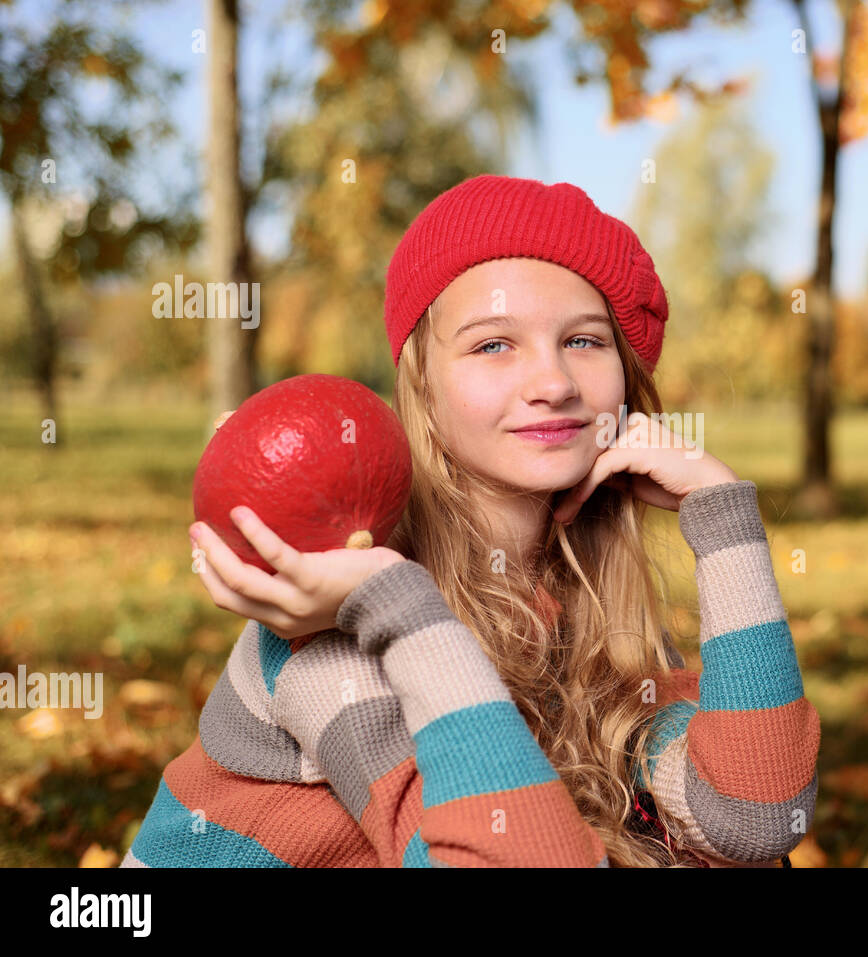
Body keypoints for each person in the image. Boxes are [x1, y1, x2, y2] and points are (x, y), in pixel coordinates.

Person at [122, 174, 820, 867]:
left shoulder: (588, 597)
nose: (553, 384)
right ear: (422, 385)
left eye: (584, 340)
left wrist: (724, 517)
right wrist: (397, 608)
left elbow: (757, 818)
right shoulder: (325, 625)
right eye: (493, 344)